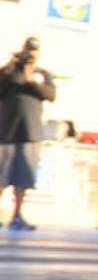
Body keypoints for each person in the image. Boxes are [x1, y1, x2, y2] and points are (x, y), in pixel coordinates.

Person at [0, 36, 56, 230]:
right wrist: (12, 65)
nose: (30, 55)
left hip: (30, 133)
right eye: (28, 51)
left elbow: (50, 95)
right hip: (7, 132)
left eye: (34, 51)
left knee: (23, 178)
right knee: (1, 176)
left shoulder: (41, 74)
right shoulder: (9, 73)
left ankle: (17, 215)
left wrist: (31, 78)